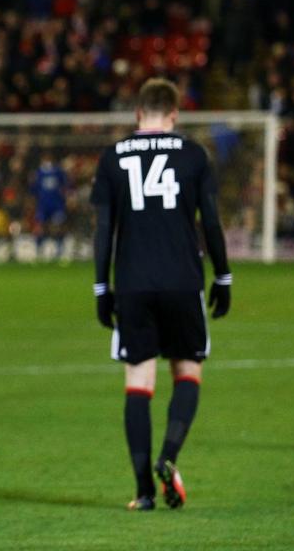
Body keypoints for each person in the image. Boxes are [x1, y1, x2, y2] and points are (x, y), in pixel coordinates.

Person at [90, 78, 231, 511]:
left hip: (133, 282)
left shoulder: (113, 157)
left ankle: (143, 493)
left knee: (139, 382)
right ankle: (167, 457)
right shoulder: (192, 154)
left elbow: (103, 231)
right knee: (188, 372)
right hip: (182, 280)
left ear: (137, 113)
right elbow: (210, 221)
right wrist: (222, 276)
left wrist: (101, 287)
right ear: (173, 115)